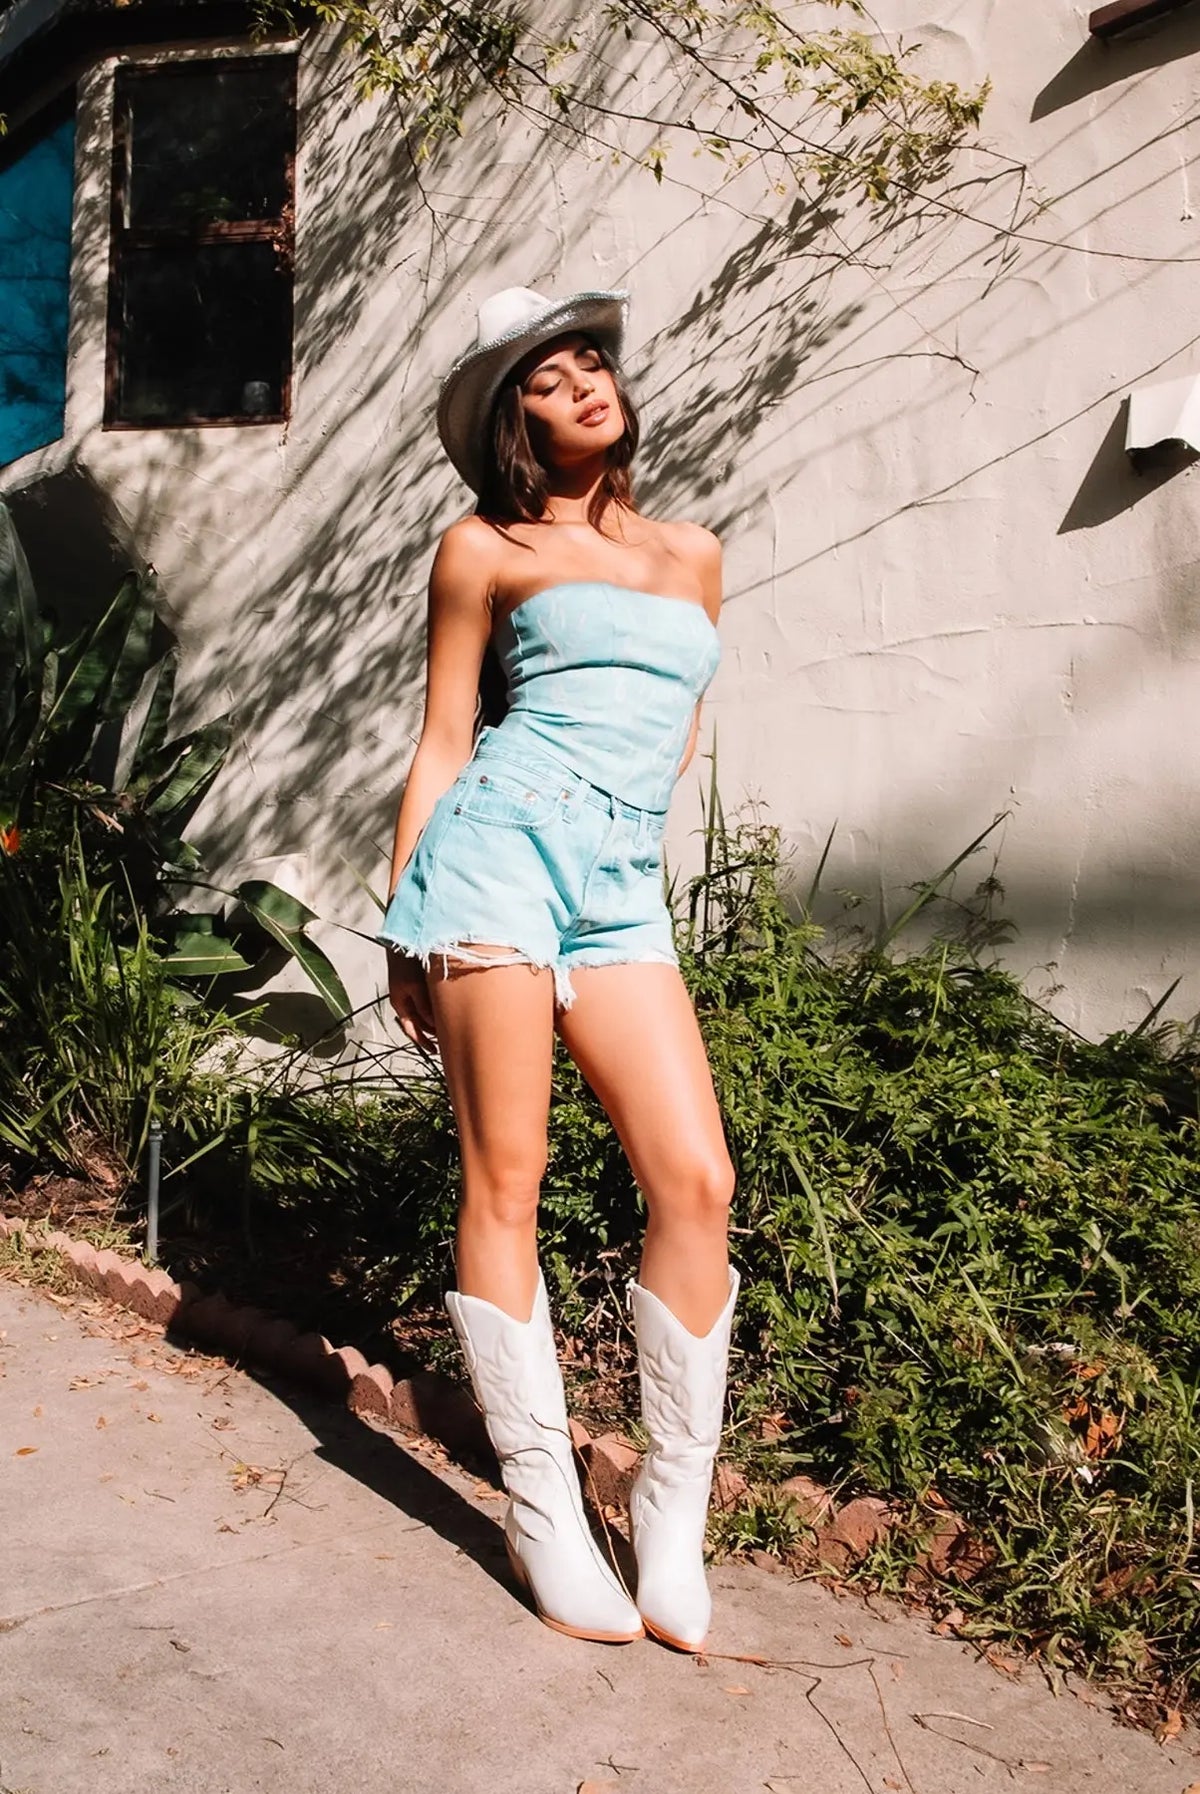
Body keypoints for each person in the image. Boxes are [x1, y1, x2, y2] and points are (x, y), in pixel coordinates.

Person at [378, 285, 739, 1651]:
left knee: (697, 1179)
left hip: (618, 884)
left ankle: (670, 1513)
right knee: (507, 1175)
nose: (586, 382)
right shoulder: (481, 547)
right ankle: (542, 1510)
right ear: (512, 420)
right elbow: (444, 739)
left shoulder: (692, 552)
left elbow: (674, 729)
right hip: (496, 862)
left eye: (593, 361)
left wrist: (619, 830)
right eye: (548, 377)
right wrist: (406, 919)